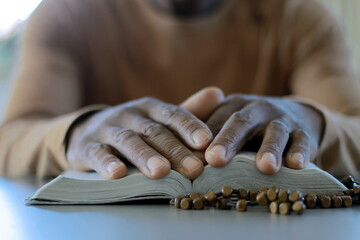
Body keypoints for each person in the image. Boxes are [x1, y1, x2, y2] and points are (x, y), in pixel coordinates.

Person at [1, 0, 360, 180]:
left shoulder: (298, 16)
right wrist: (78, 132)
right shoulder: (68, 14)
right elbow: (12, 137)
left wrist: (312, 120)